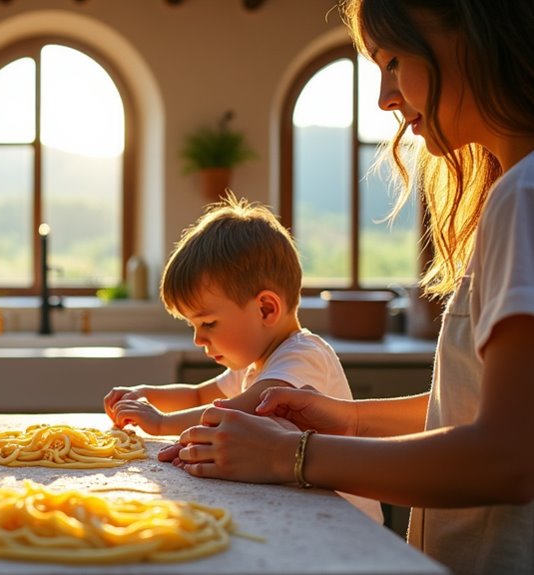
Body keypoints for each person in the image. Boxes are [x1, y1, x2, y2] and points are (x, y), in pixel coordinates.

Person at [159, 1, 534, 573]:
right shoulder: (516, 193)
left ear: (472, 32)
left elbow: (509, 457)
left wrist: (293, 455)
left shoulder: (522, 197)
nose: (385, 97)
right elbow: (475, 412)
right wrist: (350, 419)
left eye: (393, 61)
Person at [103, 194, 383, 524]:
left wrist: (161, 423)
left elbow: (239, 409)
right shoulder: (254, 363)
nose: (198, 339)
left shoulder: (303, 356)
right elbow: (198, 396)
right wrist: (146, 394)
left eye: (207, 323)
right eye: (193, 325)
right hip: (305, 515)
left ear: (266, 309)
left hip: (347, 527)